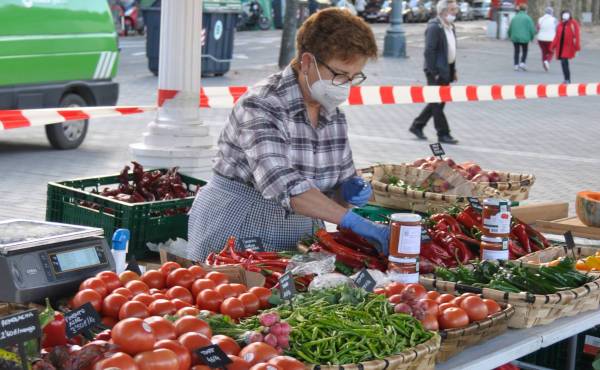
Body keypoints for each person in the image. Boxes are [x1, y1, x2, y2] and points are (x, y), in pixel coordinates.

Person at [188, 9, 389, 262]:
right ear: (307, 62)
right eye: (339, 75)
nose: (344, 85)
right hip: (239, 226)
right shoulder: (262, 104)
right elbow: (285, 185)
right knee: (241, 298)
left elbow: (335, 193)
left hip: (301, 234)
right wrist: (356, 223)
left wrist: (347, 191)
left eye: (353, 78)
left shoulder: (333, 115)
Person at [409, 0, 460, 145]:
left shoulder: (450, 26)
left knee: (438, 102)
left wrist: (453, 70)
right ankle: (443, 133)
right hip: (436, 71)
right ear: (443, 11)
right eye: (452, 9)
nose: (455, 12)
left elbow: (451, 50)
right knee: (437, 103)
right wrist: (433, 72)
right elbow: (429, 51)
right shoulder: (434, 27)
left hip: (447, 70)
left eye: (455, 9)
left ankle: (417, 125)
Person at [551, 10, 580, 84]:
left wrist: (577, 47)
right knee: (563, 63)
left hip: (569, 46)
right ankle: (566, 79)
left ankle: (567, 79)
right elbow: (557, 37)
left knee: (564, 61)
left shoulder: (573, 23)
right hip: (561, 47)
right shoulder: (560, 24)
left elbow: (577, 36)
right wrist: (552, 46)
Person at [508, 4, 536, 71]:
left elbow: (510, 28)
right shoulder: (528, 18)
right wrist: (532, 37)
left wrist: (510, 36)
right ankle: (522, 63)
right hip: (525, 37)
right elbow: (532, 29)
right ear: (526, 10)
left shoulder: (514, 18)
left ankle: (516, 65)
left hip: (515, 37)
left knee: (516, 51)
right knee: (525, 50)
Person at [537, 7, 558, 71]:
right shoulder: (555, 20)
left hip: (541, 39)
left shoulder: (540, 19)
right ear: (552, 12)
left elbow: (538, 28)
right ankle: (547, 61)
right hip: (551, 39)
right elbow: (557, 29)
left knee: (544, 52)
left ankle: (544, 63)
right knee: (551, 52)